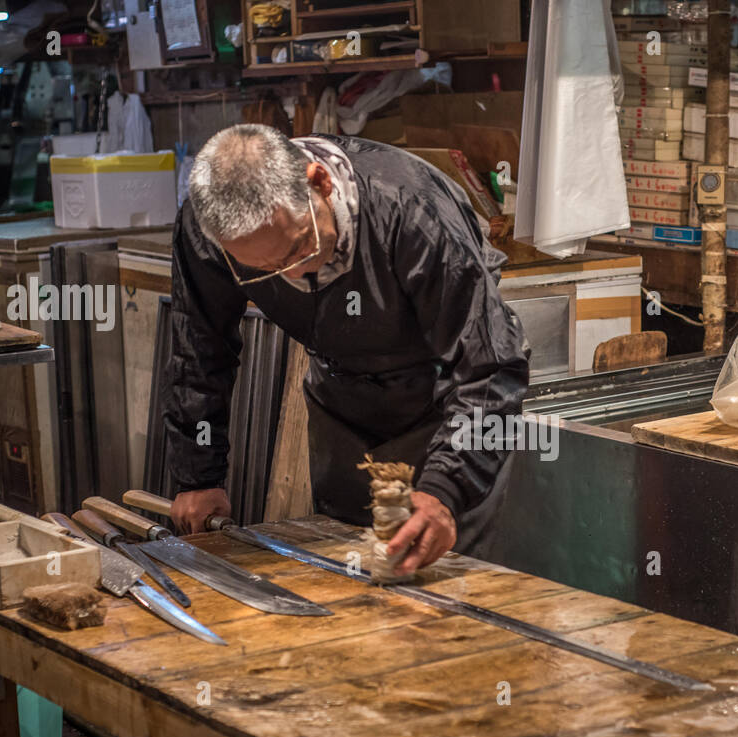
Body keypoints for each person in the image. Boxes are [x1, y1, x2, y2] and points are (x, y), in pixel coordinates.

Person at [162, 124, 529, 575]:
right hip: (341, 405)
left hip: (445, 409)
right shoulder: (208, 231)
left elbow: (490, 368)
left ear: (320, 182)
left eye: (299, 248)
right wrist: (198, 476)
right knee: (343, 576)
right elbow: (199, 351)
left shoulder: (412, 209)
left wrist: (446, 488)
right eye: (266, 271)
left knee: (445, 588)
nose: (293, 276)